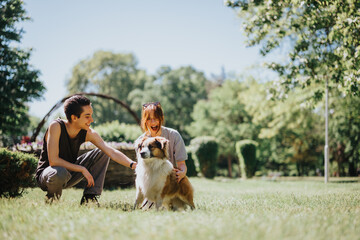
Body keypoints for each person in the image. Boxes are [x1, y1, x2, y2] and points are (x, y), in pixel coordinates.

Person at [35, 95, 137, 205]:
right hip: (48, 174)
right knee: (59, 172)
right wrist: (82, 169)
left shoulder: (88, 133)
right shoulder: (56, 126)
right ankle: (52, 200)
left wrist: (132, 164)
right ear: (74, 117)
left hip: (69, 173)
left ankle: (89, 198)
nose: (92, 120)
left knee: (102, 152)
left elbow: (111, 151)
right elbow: (54, 160)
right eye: (87, 116)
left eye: (91, 115)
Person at [136, 101, 188, 182]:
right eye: (149, 119)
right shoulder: (140, 142)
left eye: (156, 118)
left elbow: (182, 164)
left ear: (161, 118)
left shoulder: (174, 135)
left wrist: (182, 173)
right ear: (145, 121)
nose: (153, 122)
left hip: (170, 181)